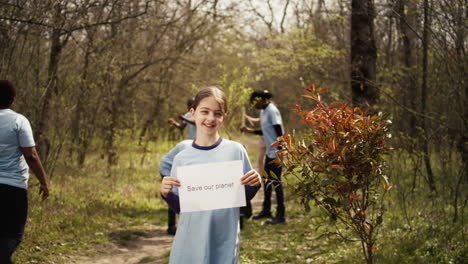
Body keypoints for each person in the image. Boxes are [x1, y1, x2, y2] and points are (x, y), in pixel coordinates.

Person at [160, 86, 262, 263]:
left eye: (217, 113)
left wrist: (254, 185)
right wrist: (166, 194)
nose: (210, 118)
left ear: (224, 117)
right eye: (204, 111)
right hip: (190, 243)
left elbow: (239, 199)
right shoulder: (182, 158)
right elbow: (182, 209)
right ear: (193, 113)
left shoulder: (235, 151)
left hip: (224, 240)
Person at [0, 80, 49, 264]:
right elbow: (31, 156)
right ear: (13, 99)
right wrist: (44, 181)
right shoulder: (19, 121)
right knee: (12, 235)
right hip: (13, 189)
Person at [240, 89, 286, 225]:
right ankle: (266, 211)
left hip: (277, 153)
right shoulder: (263, 111)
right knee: (266, 182)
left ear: (262, 100)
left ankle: (281, 216)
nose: (254, 105)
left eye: (255, 102)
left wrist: (280, 152)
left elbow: (278, 131)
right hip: (269, 152)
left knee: (276, 184)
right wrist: (249, 131)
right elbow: (266, 131)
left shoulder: (272, 111)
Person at [159, 139, 192, 235]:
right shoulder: (187, 147)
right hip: (167, 167)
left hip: (178, 168)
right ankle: (171, 227)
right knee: (173, 194)